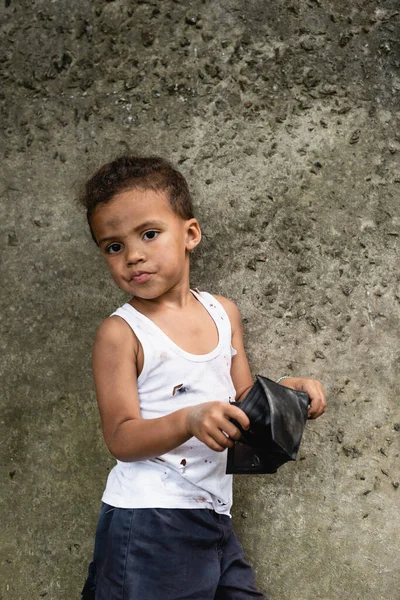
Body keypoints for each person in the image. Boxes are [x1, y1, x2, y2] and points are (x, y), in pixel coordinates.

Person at [79, 155, 326, 600]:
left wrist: (289, 393)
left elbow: (243, 397)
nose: (132, 254)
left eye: (149, 234)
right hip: (151, 518)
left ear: (190, 233)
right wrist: (189, 420)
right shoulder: (121, 333)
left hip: (212, 514)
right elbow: (121, 437)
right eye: (113, 246)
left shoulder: (222, 311)